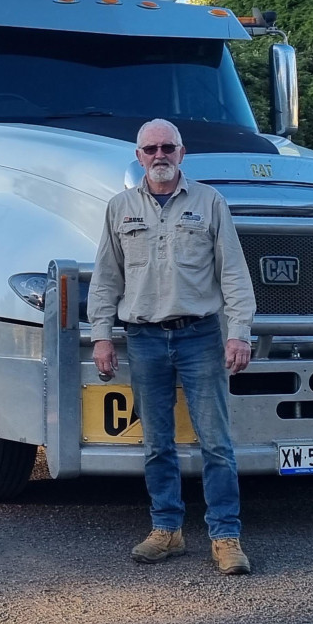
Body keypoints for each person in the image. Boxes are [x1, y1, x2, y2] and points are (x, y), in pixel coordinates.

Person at [88, 118, 257, 574]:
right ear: (138, 156)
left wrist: (238, 331)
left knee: (217, 443)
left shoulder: (210, 202)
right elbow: (106, 278)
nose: (159, 155)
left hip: (202, 335)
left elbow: (234, 273)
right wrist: (101, 336)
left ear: (182, 153)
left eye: (168, 147)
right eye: (150, 149)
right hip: (143, 338)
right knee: (157, 443)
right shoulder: (119, 208)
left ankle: (226, 538)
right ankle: (167, 530)